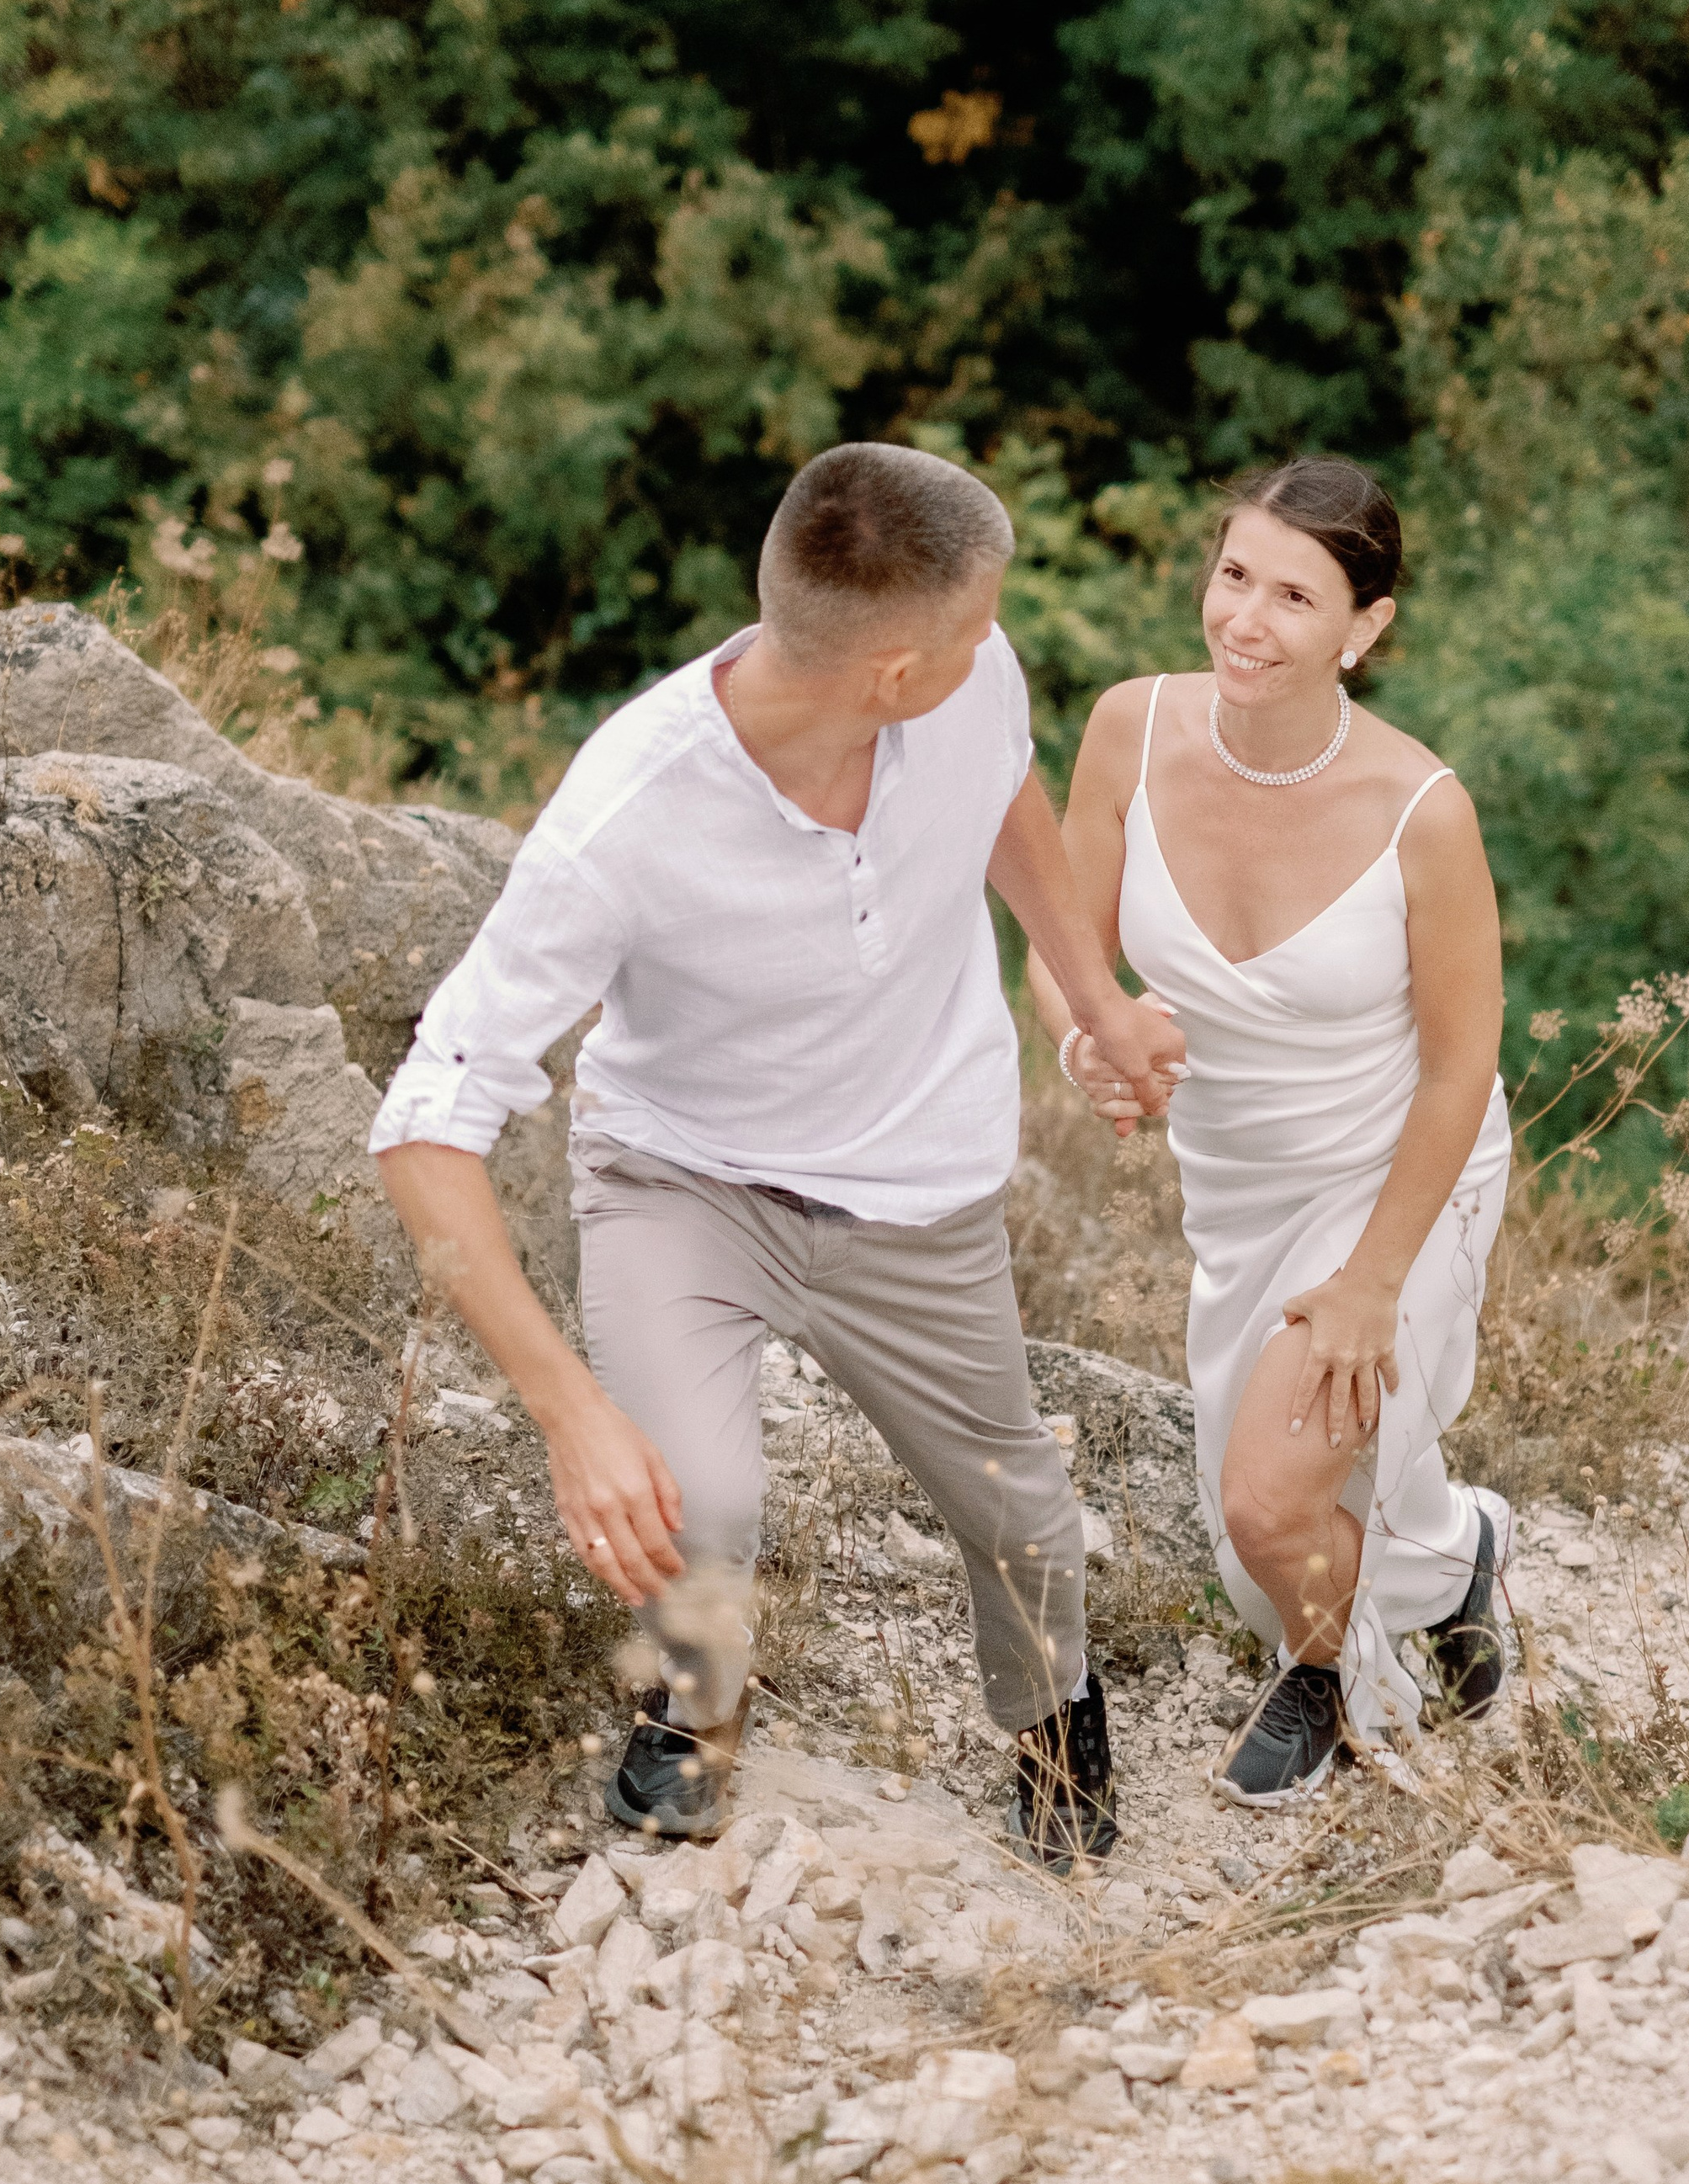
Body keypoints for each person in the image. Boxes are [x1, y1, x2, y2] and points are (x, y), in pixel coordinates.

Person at [369, 441, 1183, 1869]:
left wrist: (1098, 999)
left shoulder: (966, 685)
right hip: (686, 1184)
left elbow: (1005, 799)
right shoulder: (625, 815)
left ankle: (1054, 1728)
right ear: (891, 669)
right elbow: (425, 1123)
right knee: (703, 1507)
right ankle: (694, 1713)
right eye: (978, 626)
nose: (1000, 649)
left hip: (919, 1187)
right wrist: (570, 1418)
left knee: (1024, 1519)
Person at [1028, 454, 1510, 1803]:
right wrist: (1087, 1036)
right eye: (1235, 575)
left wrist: (1372, 1280)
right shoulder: (1130, 726)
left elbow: (1463, 1065)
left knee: (1269, 1505)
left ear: (1365, 628)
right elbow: (1064, 949)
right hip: (1236, 1190)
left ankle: (1330, 1684)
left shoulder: (1424, 812)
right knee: (1257, 1544)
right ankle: (1461, 1554)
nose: (1247, 619)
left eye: (1295, 595)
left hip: (1407, 1166)